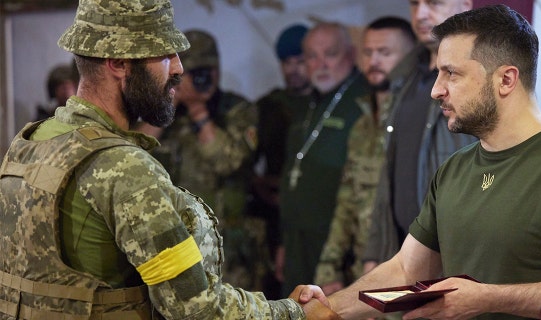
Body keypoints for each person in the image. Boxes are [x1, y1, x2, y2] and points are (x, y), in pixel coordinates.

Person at [0, 0, 338, 318]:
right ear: (118, 63)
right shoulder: (123, 167)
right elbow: (194, 310)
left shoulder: (31, 140)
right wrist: (293, 311)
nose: (178, 68)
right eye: (163, 54)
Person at [304, 4, 541, 320]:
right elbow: (406, 269)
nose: (436, 90)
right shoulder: (454, 169)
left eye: (451, 74)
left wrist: (487, 298)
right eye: (437, 74)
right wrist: (326, 309)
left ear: (506, 80)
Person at [135, 29, 266, 291]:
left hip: (231, 246)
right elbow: (134, 152)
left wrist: (198, 110)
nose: (202, 79)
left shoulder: (238, 110)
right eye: (193, 73)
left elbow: (227, 161)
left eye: (208, 70)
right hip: (177, 242)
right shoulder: (166, 113)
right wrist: (170, 103)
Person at [361, 0, 476, 274]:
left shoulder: (480, 75)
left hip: (453, 263)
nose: (421, 14)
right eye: (414, 4)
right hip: (400, 257)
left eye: (434, 2)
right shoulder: (404, 77)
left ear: (466, 4)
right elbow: (388, 172)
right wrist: (375, 254)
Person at [313, 16, 416, 295]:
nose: (374, 61)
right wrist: (329, 267)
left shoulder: (421, 124)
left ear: (410, 58)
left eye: (385, 53)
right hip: (362, 269)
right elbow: (347, 198)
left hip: (407, 274)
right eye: (368, 52)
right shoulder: (362, 125)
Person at [278, 21, 371, 296]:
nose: (321, 64)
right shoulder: (308, 102)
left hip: (337, 245)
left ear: (350, 55)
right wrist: (285, 242)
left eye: (330, 54)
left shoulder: (364, 101)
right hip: (298, 240)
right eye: (311, 57)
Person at [249, 23, 312, 298]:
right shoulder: (269, 107)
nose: (294, 69)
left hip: (313, 208)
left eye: (300, 61)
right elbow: (246, 163)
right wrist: (265, 188)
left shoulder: (324, 103)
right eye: (288, 62)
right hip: (275, 214)